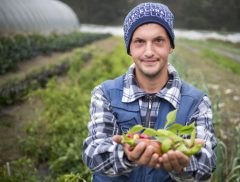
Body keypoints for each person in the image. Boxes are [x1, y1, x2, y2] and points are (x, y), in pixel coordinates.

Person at [82, 2, 217, 182]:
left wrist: (183, 163)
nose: (149, 52)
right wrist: (127, 154)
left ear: (171, 46)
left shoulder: (197, 102)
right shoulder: (105, 94)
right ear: (129, 48)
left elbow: (206, 161)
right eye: (139, 42)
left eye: (158, 41)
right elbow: (93, 154)